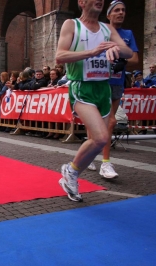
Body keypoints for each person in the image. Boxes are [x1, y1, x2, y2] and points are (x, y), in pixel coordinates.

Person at [55, 0, 133, 202]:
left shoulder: (107, 29)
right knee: (99, 137)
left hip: (103, 88)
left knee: (100, 141)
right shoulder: (72, 25)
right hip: (81, 86)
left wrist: (114, 46)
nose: (100, 1)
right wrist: (92, 52)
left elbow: (129, 52)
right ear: (82, 2)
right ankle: (71, 173)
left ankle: (70, 171)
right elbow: (60, 56)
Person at [87, 0, 139, 177]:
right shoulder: (101, 30)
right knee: (99, 121)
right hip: (99, 81)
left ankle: (101, 161)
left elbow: (134, 59)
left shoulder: (128, 34)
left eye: (123, 10)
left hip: (117, 83)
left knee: (110, 122)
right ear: (108, 14)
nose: (121, 13)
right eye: (116, 10)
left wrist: (122, 61)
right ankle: (98, 159)